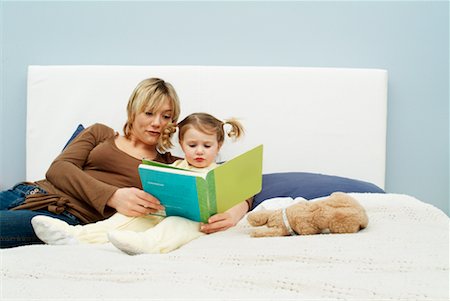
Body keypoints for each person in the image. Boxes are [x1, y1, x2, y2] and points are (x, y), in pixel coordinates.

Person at [0, 78, 251, 248]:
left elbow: (237, 178)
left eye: (166, 116)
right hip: (27, 192)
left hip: (64, 219)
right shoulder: (100, 133)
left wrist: (236, 209)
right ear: (133, 111)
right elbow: (59, 169)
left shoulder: (171, 166)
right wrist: (113, 196)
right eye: (149, 113)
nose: (157, 123)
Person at [31, 112, 248, 254]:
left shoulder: (220, 172)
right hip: (162, 212)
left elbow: (244, 190)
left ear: (218, 146)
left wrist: (234, 211)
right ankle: (77, 236)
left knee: (176, 226)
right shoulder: (173, 165)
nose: (199, 151)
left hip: (197, 222)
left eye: (207, 146)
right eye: (192, 145)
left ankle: (147, 244)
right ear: (181, 144)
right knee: (128, 217)